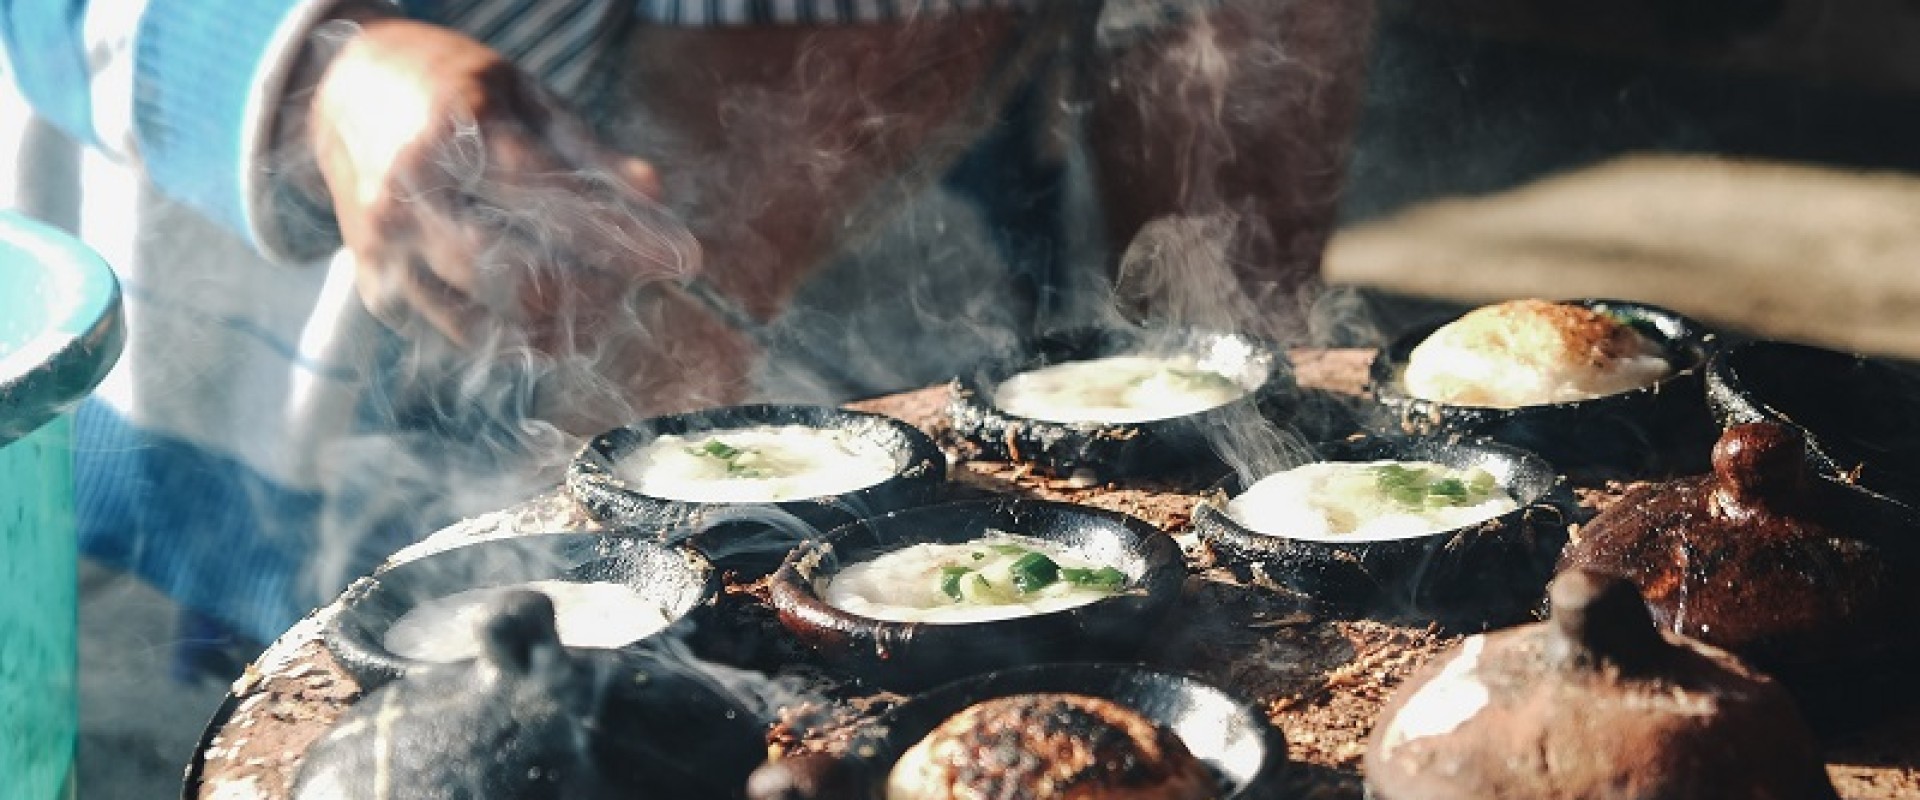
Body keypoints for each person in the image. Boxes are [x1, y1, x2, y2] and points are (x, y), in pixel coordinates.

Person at [0, 0, 1374, 678]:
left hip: (909, 228)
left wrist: (1243, 424)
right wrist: (306, 66)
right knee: (491, 684)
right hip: (347, 301)